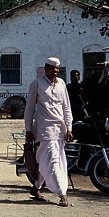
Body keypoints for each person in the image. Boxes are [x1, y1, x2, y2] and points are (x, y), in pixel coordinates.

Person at [24, 57, 73, 207]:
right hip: (44, 130)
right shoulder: (37, 84)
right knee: (52, 161)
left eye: (57, 68)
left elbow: (66, 108)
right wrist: (28, 130)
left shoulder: (61, 85)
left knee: (52, 161)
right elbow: (30, 109)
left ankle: (36, 187)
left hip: (60, 130)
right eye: (53, 68)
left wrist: (69, 128)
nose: (55, 71)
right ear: (46, 69)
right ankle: (62, 193)